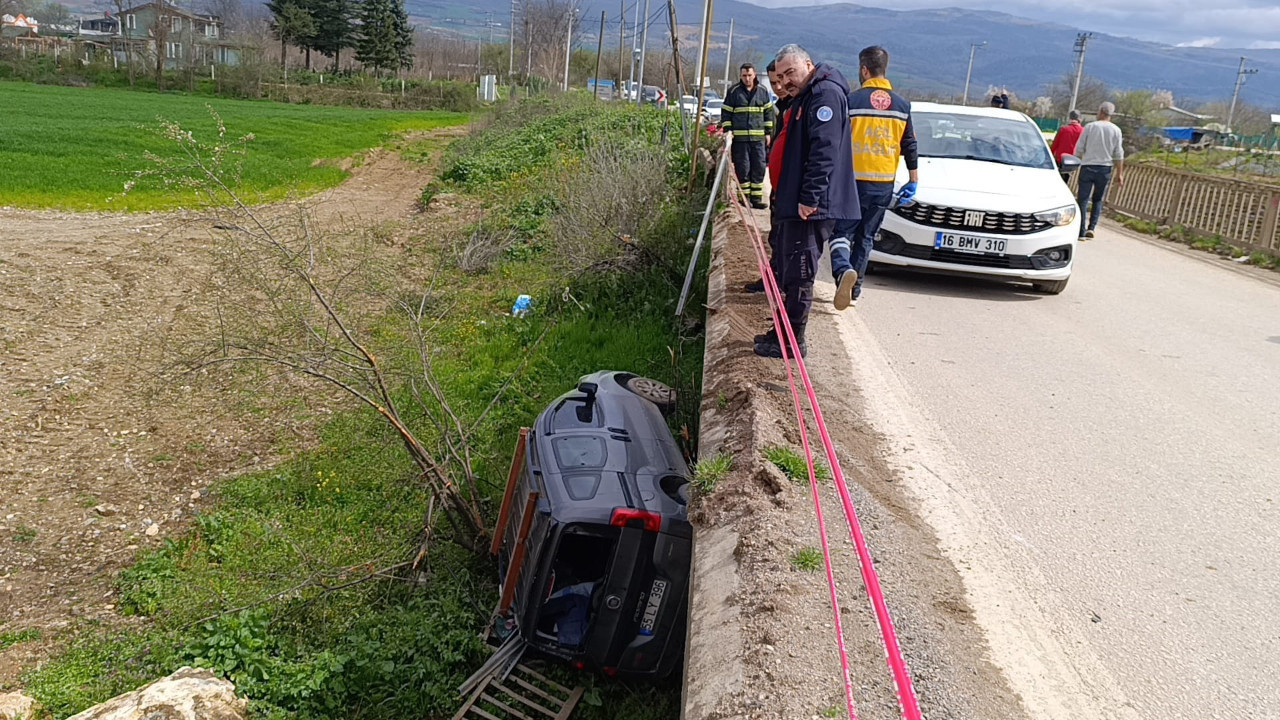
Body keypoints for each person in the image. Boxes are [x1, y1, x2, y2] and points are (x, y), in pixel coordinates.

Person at [754, 44, 859, 359]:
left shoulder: (824, 95)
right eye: (781, 75)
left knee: (800, 273)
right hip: (794, 201)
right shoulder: (806, 94)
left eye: (791, 73)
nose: (786, 81)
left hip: (810, 206)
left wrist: (809, 196)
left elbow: (824, 151)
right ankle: (781, 331)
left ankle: (792, 341)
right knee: (787, 270)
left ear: (808, 64)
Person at [828, 45, 918, 310]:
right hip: (883, 184)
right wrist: (913, 180)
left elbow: (834, 141)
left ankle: (843, 270)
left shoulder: (851, 102)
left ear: (864, 70)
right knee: (866, 237)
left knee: (841, 234)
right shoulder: (902, 106)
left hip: (851, 182)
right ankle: (854, 290)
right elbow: (910, 145)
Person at [744, 61, 796, 295]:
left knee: (787, 240)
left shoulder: (797, 107)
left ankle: (783, 284)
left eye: (782, 80)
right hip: (779, 185)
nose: (779, 86)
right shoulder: (781, 106)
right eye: (774, 82)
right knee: (776, 237)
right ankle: (772, 279)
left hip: (791, 186)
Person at [722, 63, 776, 210]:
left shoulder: (763, 92)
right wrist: (728, 130)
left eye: (750, 75)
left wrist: (768, 132)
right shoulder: (733, 92)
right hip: (740, 140)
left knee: (759, 168)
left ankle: (756, 199)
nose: (747, 78)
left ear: (754, 75)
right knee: (743, 168)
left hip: (758, 140)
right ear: (740, 76)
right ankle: (744, 199)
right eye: (744, 76)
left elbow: (768, 113)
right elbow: (726, 112)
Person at [1073, 101, 1125, 240]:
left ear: (1101, 111)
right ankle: (1092, 227)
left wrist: (1074, 162)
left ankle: (1081, 231)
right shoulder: (1116, 130)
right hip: (1105, 168)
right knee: (1098, 199)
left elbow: (1079, 148)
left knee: (1083, 199)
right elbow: (1119, 153)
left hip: (1088, 166)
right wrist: (1120, 173)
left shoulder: (1090, 127)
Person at [1050, 109, 1084, 183]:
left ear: (1070, 118)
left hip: (1060, 159)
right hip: (1074, 161)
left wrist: (1050, 155)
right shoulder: (1083, 131)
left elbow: (1055, 144)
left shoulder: (1063, 129)